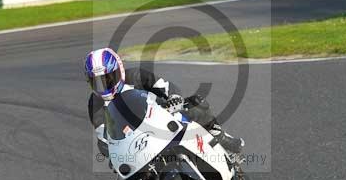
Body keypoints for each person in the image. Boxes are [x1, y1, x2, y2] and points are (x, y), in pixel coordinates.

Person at [84, 47, 244, 155]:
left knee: (195, 103)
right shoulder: (95, 103)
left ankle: (219, 136)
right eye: (97, 81)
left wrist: (173, 98)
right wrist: (105, 146)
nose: (103, 85)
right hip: (133, 143)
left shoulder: (136, 76)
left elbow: (165, 86)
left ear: (119, 69)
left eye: (107, 79)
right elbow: (102, 132)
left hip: (161, 116)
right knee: (126, 174)